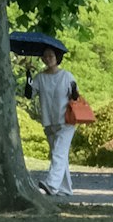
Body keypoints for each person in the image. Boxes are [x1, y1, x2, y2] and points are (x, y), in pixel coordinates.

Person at [27, 49, 83, 197]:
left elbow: (75, 96)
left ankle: (51, 185)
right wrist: (28, 76)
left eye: (51, 56)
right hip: (49, 122)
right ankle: (65, 189)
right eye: (45, 56)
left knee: (58, 153)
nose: (48, 58)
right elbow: (29, 94)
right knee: (59, 154)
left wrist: (74, 92)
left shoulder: (66, 76)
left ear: (57, 57)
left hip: (66, 121)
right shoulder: (40, 77)